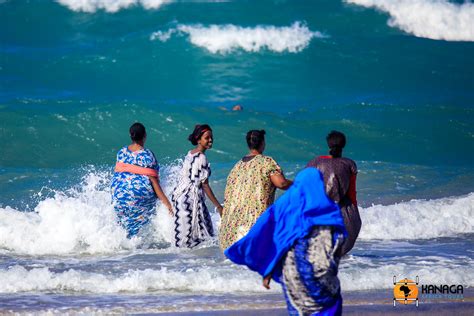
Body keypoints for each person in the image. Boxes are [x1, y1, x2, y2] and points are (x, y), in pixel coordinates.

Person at [225, 167, 347, 316]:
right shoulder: (331, 211)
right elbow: (339, 245)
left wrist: (268, 268)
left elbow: (270, 236)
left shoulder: (287, 207)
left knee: (300, 310)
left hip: (295, 277)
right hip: (325, 279)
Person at [219, 130, 292, 250]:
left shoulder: (237, 167)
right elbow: (282, 183)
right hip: (253, 228)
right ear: (262, 143)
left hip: (230, 232)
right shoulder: (266, 162)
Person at [111, 122, 173, 238]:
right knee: (140, 231)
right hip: (138, 196)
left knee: (123, 225)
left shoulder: (121, 152)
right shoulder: (147, 155)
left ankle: (122, 247)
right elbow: (154, 182)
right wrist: (168, 204)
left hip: (118, 193)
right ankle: (138, 248)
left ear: (131, 135)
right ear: (145, 135)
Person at [306, 130, 361, 256]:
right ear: (343, 145)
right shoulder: (349, 164)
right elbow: (352, 194)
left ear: (328, 145)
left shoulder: (314, 162)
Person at [172, 124, 223, 248]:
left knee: (186, 238)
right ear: (198, 139)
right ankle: (202, 262)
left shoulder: (190, 153)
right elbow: (205, 186)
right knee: (205, 234)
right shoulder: (202, 158)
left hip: (180, 197)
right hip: (192, 200)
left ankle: (186, 262)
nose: (210, 140)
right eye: (207, 138)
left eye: (211, 137)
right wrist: (218, 206)